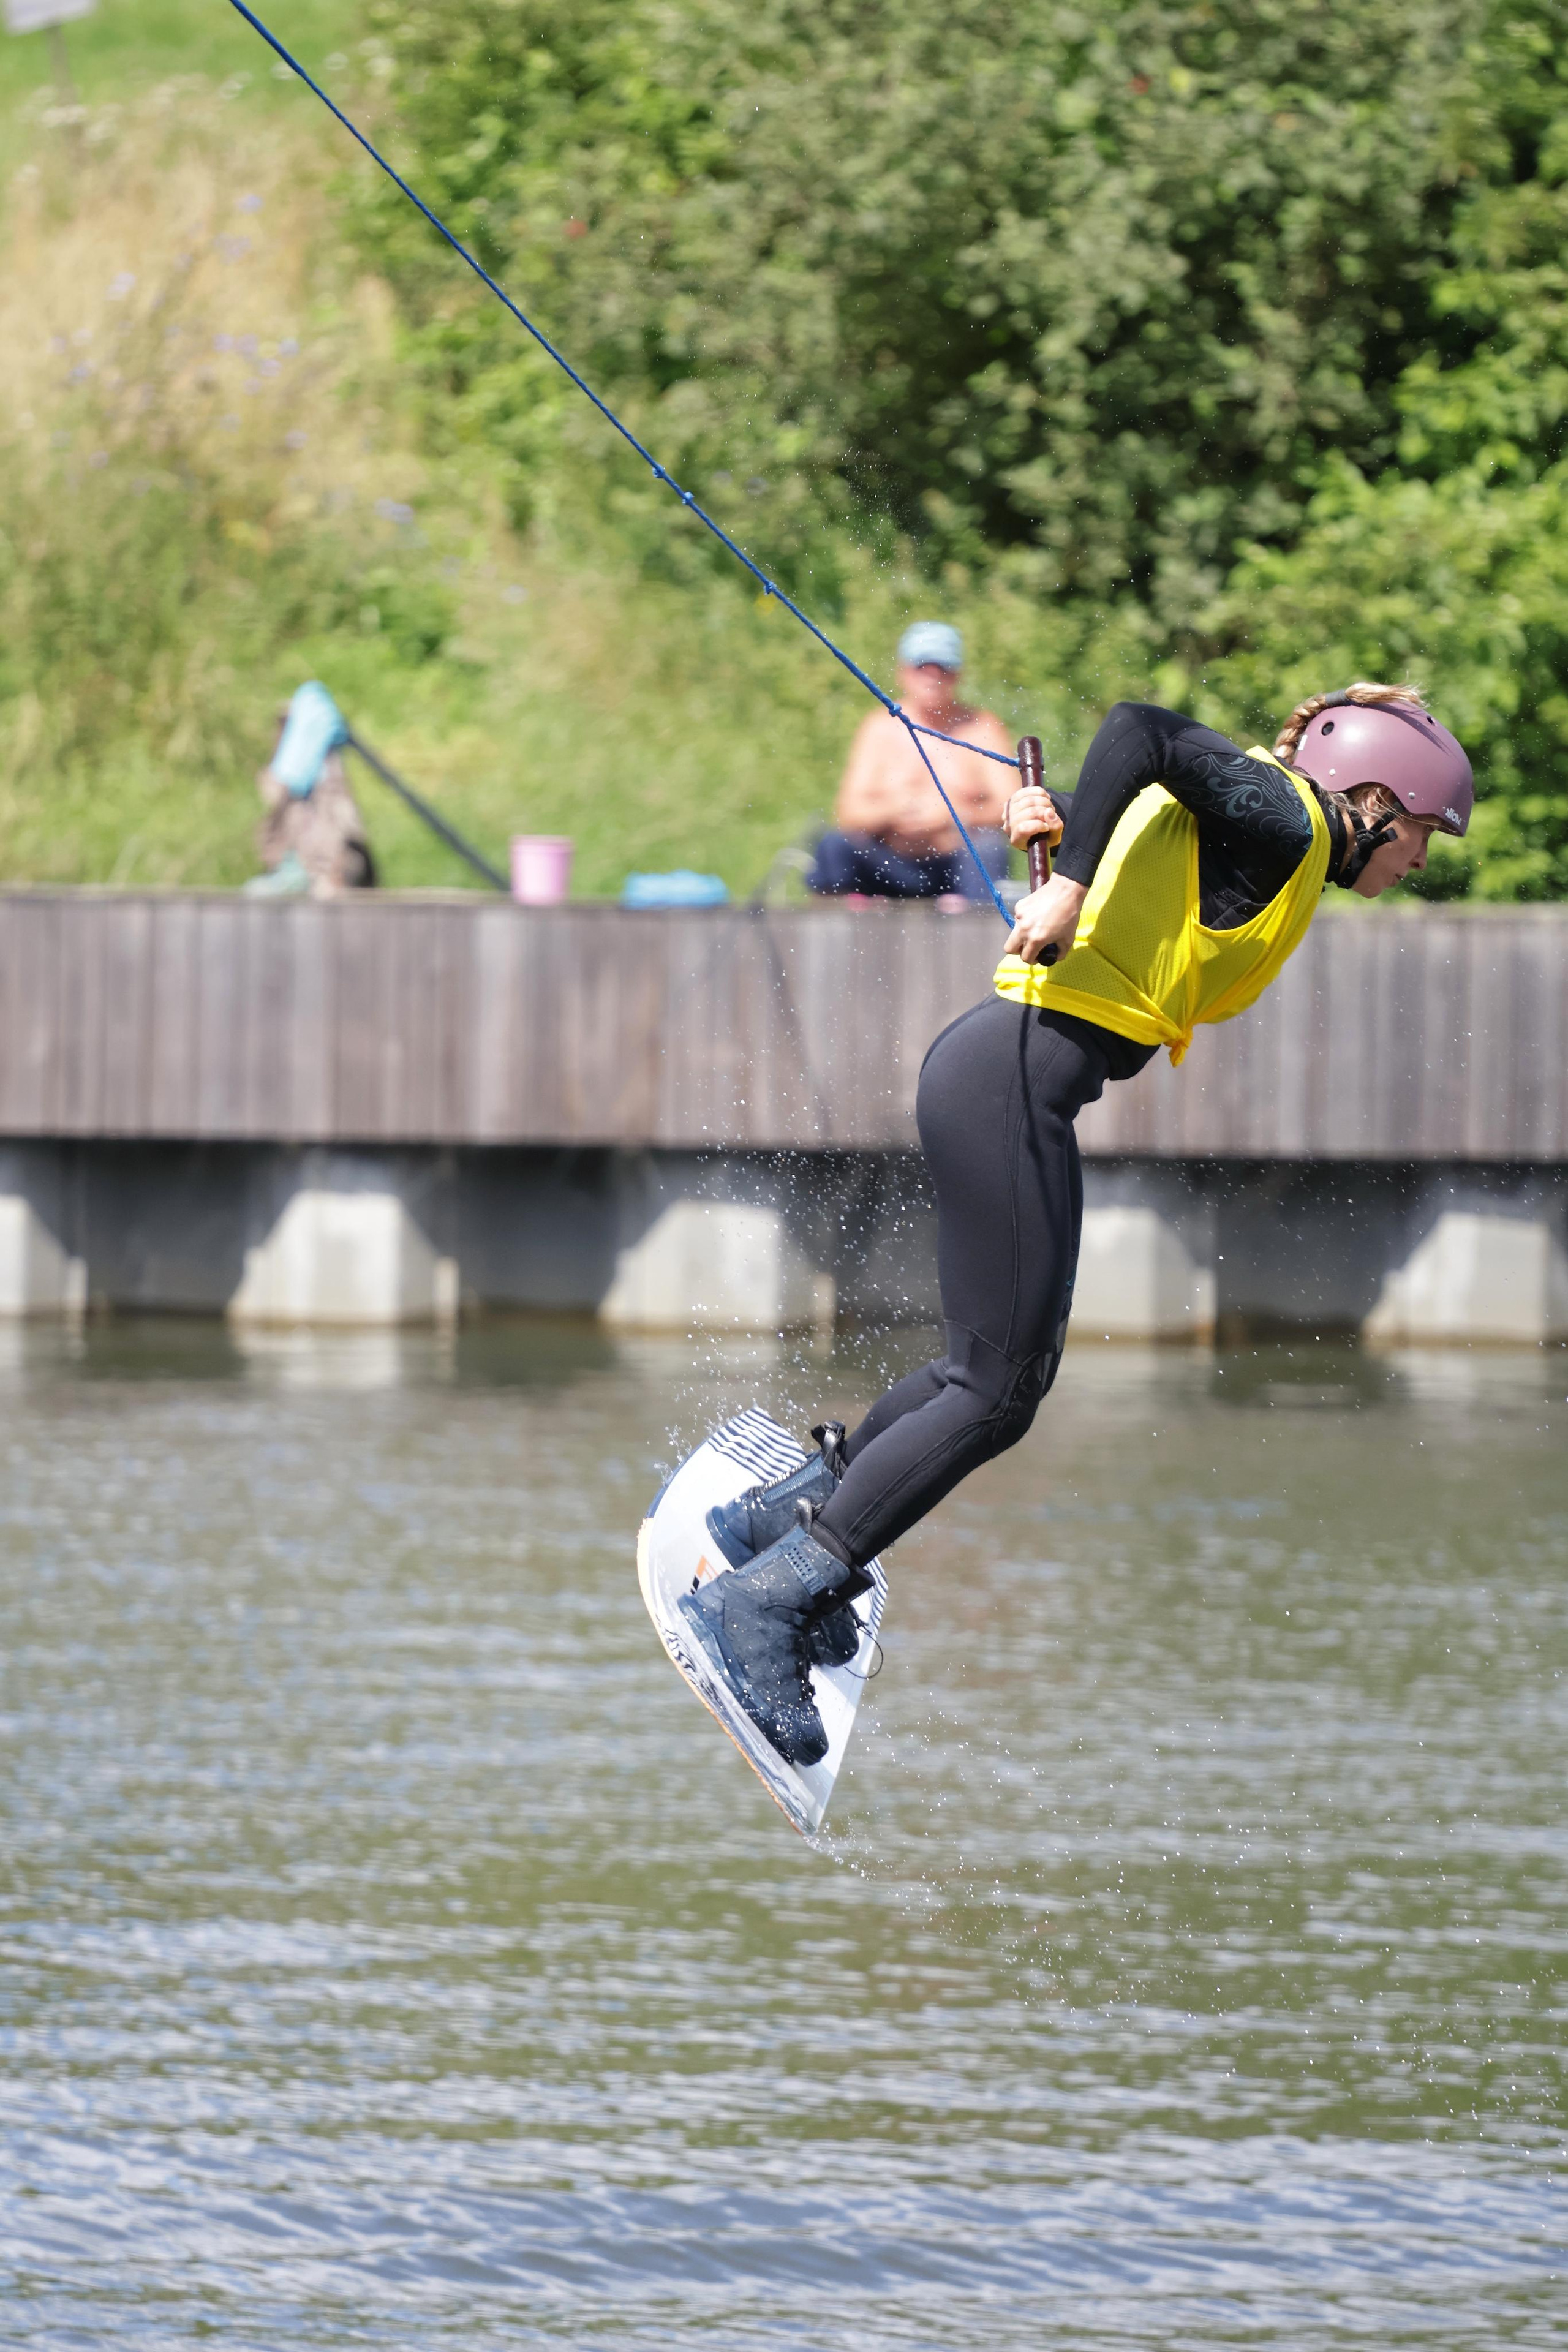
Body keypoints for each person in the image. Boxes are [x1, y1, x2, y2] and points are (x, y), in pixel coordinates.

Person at [681, 685, 1476, 1766]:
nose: (1424, 857)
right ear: (1379, 799)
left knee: (981, 1372)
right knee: (997, 1392)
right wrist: (1076, 887)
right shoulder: (1287, 815)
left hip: (1007, 1075)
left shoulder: (1265, 828)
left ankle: (779, 1526)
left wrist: (1071, 838)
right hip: (1012, 1077)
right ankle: (769, 1604)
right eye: (1427, 831)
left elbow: (1143, 774)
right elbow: (1139, 731)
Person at [808, 622, 1014, 903]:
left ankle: (974, 928)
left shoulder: (982, 728)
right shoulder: (879, 728)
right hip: (890, 862)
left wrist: (954, 813)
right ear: (903, 672)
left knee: (990, 848)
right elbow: (848, 813)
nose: (932, 677)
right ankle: (843, 924)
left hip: (953, 864)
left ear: (958, 675)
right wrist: (892, 809)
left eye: (943, 668)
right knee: (834, 846)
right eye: (922, 667)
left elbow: (1012, 809)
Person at [246, 682, 376, 899]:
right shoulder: (293, 770)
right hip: (302, 866)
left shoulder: (317, 771)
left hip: (328, 869)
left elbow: (338, 830)